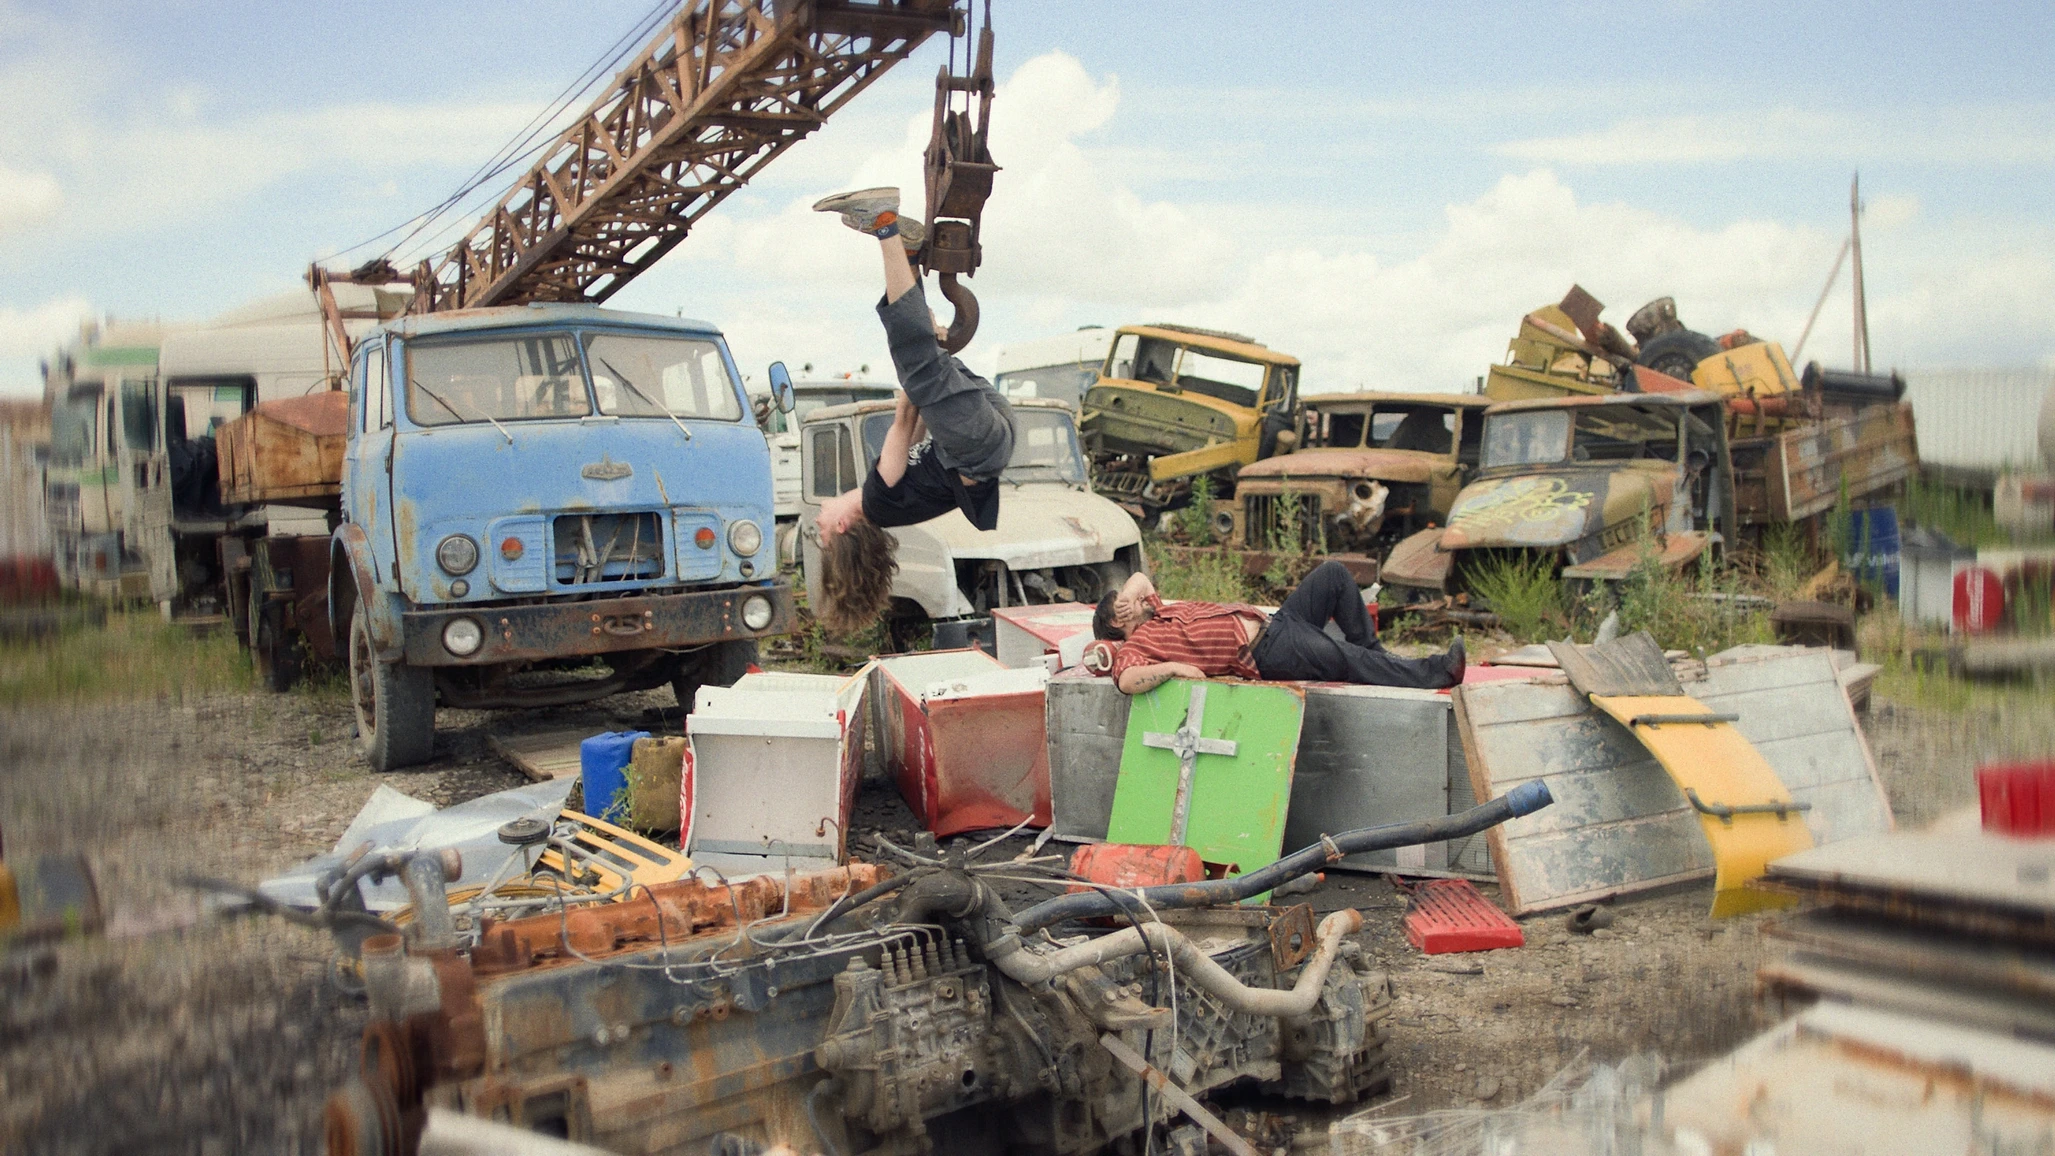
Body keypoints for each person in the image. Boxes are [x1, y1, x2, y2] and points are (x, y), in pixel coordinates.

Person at [806, 187, 1018, 635]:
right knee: (914, 357)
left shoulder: (887, 500)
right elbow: (905, 419)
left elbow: (918, 427)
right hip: (975, 447)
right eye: (821, 533)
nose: (817, 526)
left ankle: (905, 248)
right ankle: (883, 221)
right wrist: (923, 360)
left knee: (920, 357)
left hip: (984, 439)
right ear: (843, 526)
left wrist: (930, 357)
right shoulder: (877, 502)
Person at [1093, 560, 1464, 694]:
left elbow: (1141, 578)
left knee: (1333, 574)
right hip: (1267, 653)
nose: (1137, 601)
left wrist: (1127, 593)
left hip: (1277, 623)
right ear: (1116, 621)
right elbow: (1126, 680)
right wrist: (1173, 668)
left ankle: (1375, 653)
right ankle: (1439, 671)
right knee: (1346, 660)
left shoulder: (1158, 612)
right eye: (1125, 604)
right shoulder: (1136, 648)